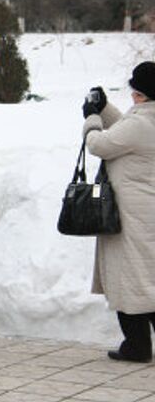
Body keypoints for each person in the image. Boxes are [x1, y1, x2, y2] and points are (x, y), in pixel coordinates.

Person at [82, 62, 155, 363]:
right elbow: (126, 128)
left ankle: (137, 346)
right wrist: (106, 108)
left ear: (139, 94)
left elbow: (100, 144)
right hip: (145, 210)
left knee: (131, 280)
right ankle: (137, 344)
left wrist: (91, 118)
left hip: (129, 214)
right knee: (145, 278)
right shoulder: (144, 120)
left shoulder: (140, 124)